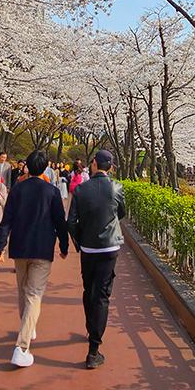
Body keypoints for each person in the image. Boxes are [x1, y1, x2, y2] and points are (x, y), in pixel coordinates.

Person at [0, 150, 69, 368]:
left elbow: (6, 221)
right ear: (45, 167)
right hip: (42, 249)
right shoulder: (52, 192)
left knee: (23, 290)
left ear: (27, 166)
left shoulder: (18, 190)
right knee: (34, 294)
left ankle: (28, 326)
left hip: (20, 247)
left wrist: (0, 247)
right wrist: (63, 246)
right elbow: (60, 223)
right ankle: (22, 347)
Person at [67, 148, 126, 369]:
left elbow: (71, 222)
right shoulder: (116, 187)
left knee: (88, 290)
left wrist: (80, 240)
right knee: (102, 295)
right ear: (110, 167)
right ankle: (94, 349)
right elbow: (122, 213)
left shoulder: (81, 189)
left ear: (94, 164)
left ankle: (91, 327)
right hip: (110, 247)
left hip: (89, 249)